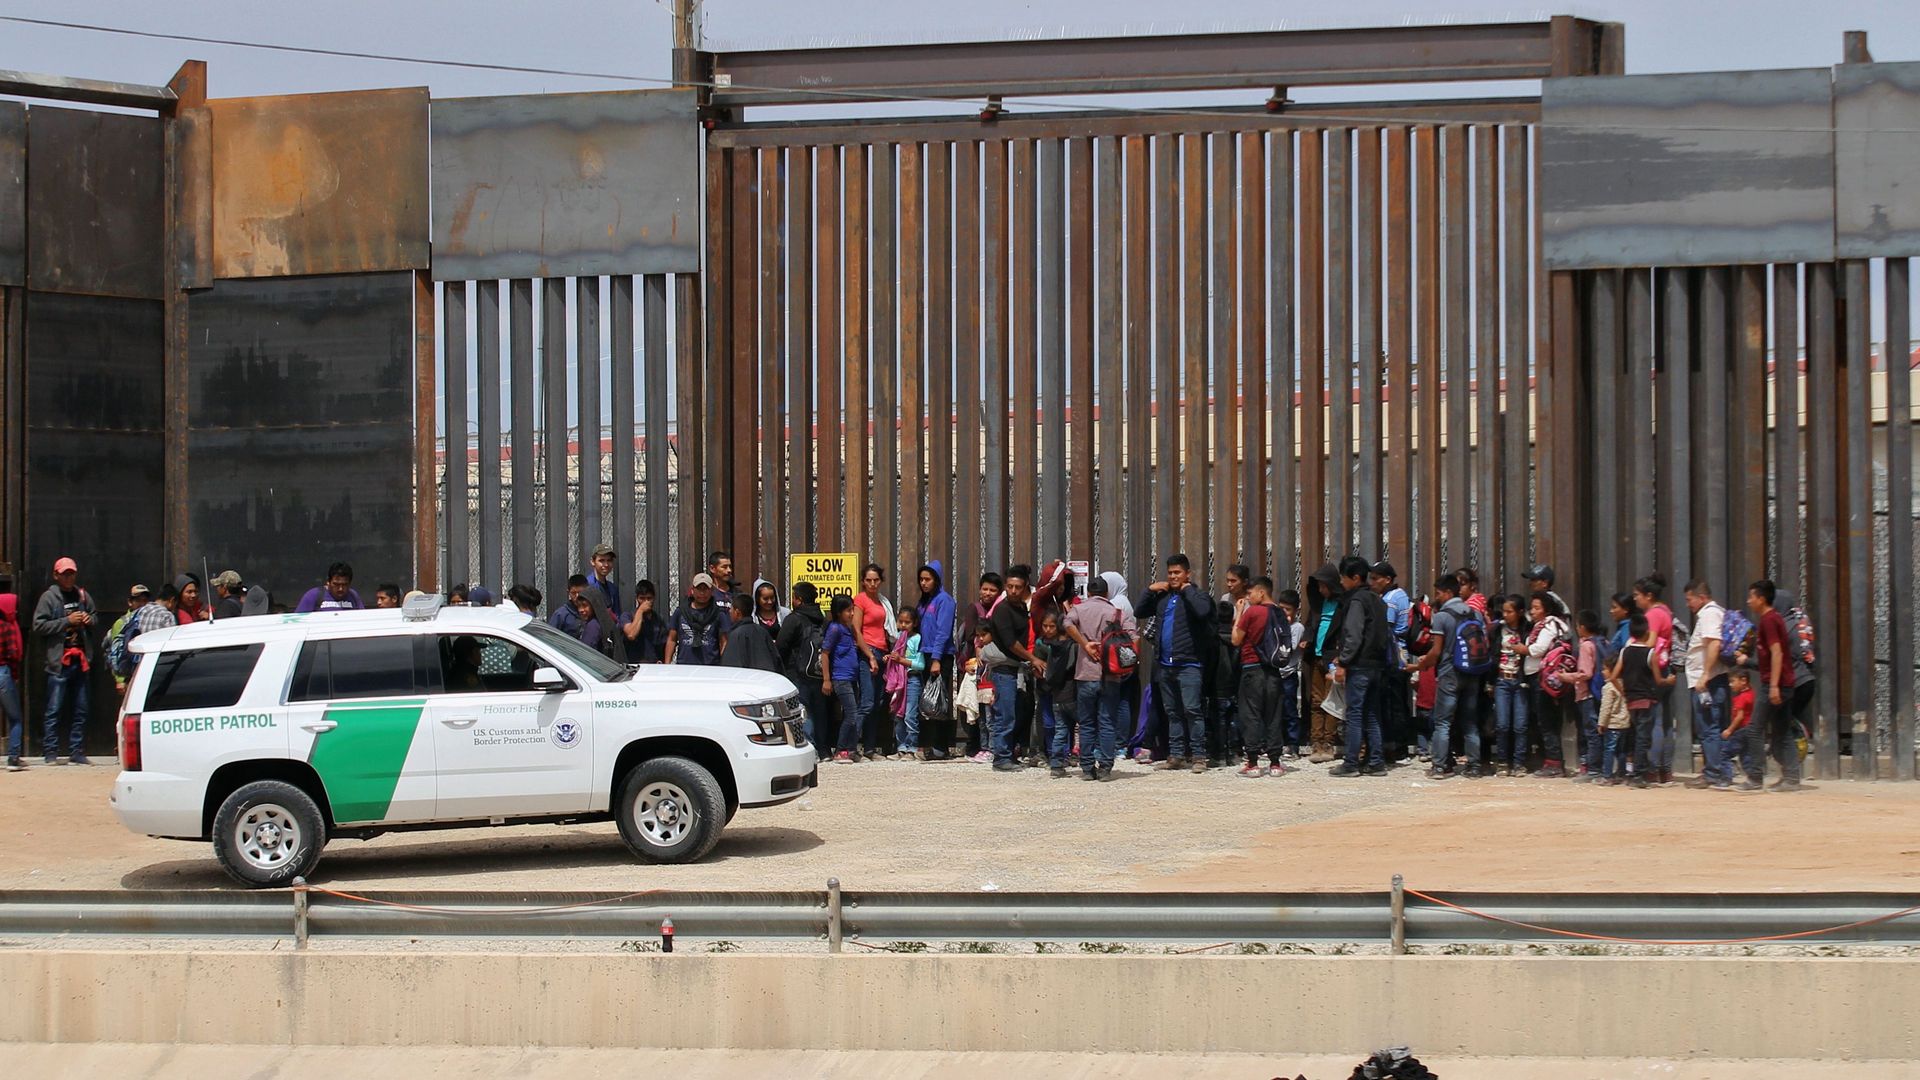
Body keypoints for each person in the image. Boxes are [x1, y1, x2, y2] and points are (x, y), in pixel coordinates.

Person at [1142, 554, 1216, 773]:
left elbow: (1203, 611)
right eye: (1170, 573)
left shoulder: (1198, 596)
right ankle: (1175, 755)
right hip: (1165, 665)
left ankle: (1199, 756)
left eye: (1177, 573)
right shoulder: (1163, 598)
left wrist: (1187, 589)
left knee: (1192, 710)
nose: (1173, 576)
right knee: (1172, 711)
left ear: (1187, 574)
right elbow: (1140, 611)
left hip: (1189, 664)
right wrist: (1150, 590)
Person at [1411, 574, 1482, 779]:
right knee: (1470, 722)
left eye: (1439, 593)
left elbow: (1436, 651)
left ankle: (1441, 766)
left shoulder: (1442, 617)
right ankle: (1475, 766)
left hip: (1449, 673)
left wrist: (1420, 666)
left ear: (1449, 592)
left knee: (1443, 722)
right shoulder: (1474, 614)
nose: (1437, 596)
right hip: (1472, 672)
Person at [1063, 571, 1131, 781]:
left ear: (1089, 592)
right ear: (1107, 592)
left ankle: (1086, 767)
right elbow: (1132, 636)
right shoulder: (1117, 612)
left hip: (1085, 674)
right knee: (1107, 721)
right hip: (1110, 674)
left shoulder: (1079, 609)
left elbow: (1066, 623)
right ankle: (1105, 767)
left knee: (1086, 722)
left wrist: (1084, 643)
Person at [1328, 556, 1391, 778]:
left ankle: (1351, 762)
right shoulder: (1377, 599)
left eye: (1344, 578)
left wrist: (1343, 661)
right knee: (1372, 714)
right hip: (1377, 665)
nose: (1342, 583)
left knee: (1354, 714)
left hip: (1360, 665)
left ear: (1355, 578)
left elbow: (1353, 635)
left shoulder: (1356, 601)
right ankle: (1376, 761)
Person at [32, 557, 99, 766]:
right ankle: (50, 752)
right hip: (59, 662)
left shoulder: (82, 595)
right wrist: (66, 622)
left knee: (81, 708)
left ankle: (76, 751)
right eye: (65, 573)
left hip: (81, 660)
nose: (69, 577)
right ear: (56, 575)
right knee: (54, 709)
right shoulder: (49, 597)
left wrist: (89, 620)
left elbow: (95, 617)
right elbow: (38, 626)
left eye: (72, 573)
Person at [1741, 580, 1802, 792]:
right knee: (1782, 731)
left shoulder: (1769, 620)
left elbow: (1777, 652)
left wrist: (1774, 685)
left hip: (1775, 684)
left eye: (1751, 597)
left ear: (1761, 598)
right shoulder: (1773, 619)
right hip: (1783, 682)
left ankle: (1755, 777)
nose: (1749, 601)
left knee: (1754, 730)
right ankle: (1792, 778)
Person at [985, 565, 1043, 773]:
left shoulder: (1020, 608)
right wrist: (1033, 658)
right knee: (1004, 713)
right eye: (1009, 587)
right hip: (1003, 668)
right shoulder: (1002, 610)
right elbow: (1011, 643)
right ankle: (1001, 757)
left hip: (1015, 667)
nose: (1013, 591)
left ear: (1025, 587)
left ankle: (1007, 753)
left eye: (1017, 587)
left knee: (1014, 712)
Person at [1609, 612, 1673, 789]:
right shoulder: (1650, 653)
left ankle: (1638, 772)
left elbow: (1613, 677)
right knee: (1643, 738)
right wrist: (1670, 680)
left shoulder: (1624, 652)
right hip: (1646, 699)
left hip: (1631, 701)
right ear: (1647, 633)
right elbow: (1659, 680)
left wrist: (1624, 692)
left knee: (1638, 735)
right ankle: (1639, 774)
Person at [1230, 576, 1286, 777]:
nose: (1248, 597)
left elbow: (1236, 639)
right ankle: (1275, 763)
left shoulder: (1252, 612)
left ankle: (1252, 762)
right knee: (1273, 715)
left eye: (1250, 593)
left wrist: (1238, 613)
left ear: (1261, 592)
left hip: (1252, 668)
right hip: (1273, 669)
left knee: (1251, 714)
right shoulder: (1280, 612)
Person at [1682, 579, 1733, 790]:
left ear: (1702, 598)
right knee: (1716, 726)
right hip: (1713, 679)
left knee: (1709, 726)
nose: (1688, 604)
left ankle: (1713, 773)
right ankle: (1721, 772)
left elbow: (1714, 643)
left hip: (1708, 681)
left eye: (1690, 599)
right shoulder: (1714, 613)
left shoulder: (1709, 614)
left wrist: (1705, 675)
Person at [777, 582, 831, 757]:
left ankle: (811, 748)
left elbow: (782, 645)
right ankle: (824, 749)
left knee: (803, 711)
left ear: (799, 600)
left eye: (794, 597)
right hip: (819, 672)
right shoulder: (822, 618)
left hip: (798, 672)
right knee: (821, 711)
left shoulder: (794, 619)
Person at [1632, 575, 1676, 784]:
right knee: (1666, 721)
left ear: (1648, 596)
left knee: (1655, 722)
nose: (1635, 600)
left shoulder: (1653, 615)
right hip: (1665, 668)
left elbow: (1649, 644)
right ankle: (1665, 770)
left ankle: (1652, 767)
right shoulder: (1666, 612)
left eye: (1637, 596)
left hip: (1653, 672)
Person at [1525, 592, 1572, 778]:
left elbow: (1538, 649)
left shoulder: (1550, 625)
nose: (1533, 611)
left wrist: (1523, 649)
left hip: (1543, 679)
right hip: (1536, 677)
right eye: (1532, 607)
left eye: (1537, 608)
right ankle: (1549, 760)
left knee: (1547, 721)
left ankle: (1554, 763)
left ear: (1547, 609)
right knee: (1542, 720)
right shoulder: (1539, 625)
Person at [1370, 561, 1414, 762]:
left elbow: (1384, 628)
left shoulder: (1391, 599)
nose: (1373, 582)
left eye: (1376, 578)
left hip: (1393, 656)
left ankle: (1397, 747)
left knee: (1393, 702)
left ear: (1387, 579)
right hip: (1399, 655)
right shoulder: (1399, 595)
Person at [914, 561, 957, 761]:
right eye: (921, 579)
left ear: (936, 580)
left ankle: (941, 746)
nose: (924, 583)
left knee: (939, 699)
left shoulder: (944, 600)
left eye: (928, 579)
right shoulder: (924, 602)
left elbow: (943, 632)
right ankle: (929, 744)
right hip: (925, 652)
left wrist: (937, 659)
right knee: (928, 701)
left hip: (940, 655)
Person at [1302, 561, 1343, 762]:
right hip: (1316, 657)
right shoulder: (1318, 605)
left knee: (1331, 702)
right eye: (1319, 586)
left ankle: (1329, 742)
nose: (1321, 589)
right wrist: (1307, 639)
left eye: (1324, 586)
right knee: (1316, 701)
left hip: (1332, 658)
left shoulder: (1341, 605)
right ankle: (1316, 741)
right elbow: (1311, 625)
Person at [853, 564, 895, 759]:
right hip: (867, 652)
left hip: (882, 651)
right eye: (868, 580)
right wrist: (870, 656)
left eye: (875, 580)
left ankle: (869, 748)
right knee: (867, 702)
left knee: (877, 702)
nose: (872, 583)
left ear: (881, 581)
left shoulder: (881, 601)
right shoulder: (860, 600)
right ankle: (850, 747)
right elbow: (856, 630)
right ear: (863, 581)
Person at [1492, 594, 1532, 777]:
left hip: (1521, 681)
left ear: (1520, 612)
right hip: (1502, 680)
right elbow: (1492, 655)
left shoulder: (1528, 630)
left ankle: (1519, 763)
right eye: (1504, 611)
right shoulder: (1496, 631)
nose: (1505, 615)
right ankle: (1502, 762)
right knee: (1501, 724)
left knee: (1520, 725)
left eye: (1510, 611)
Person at [1567, 610, 1607, 783]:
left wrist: (1564, 677)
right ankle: (1602, 768)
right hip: (1601, 693)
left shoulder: (1585, 646)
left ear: (1582, 627)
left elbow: (1585, 673)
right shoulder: (1603, 642)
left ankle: (1593, 770)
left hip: (1587, 694)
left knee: (1591, 733)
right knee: (1600, 731)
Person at [823, 595, 864, 763]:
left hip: (851, 677)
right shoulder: (835, 629)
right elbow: (825, 654)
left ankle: (852, 749)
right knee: (851, 715)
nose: (852, 613)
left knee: (853, 713)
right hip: (841, 678)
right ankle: (841, 749)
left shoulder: (848, 628)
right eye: (848, 610)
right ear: (839, 612)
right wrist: (827, 679)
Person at [665, 573, 731, 666]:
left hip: (710, 666)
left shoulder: (718, 614)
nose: (702, 593)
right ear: (692, 590)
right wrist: (667, 664)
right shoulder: (680, 612)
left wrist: (722, 664)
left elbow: (723, 642)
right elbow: (672, 639)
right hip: (685, 665)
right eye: (699, 589)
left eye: (706, 589)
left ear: (711, 591)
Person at [890, 607, 929, 759]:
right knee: (898, 714)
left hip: (912, 680)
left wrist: (901, 660)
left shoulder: (917, 639)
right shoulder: (899, 638)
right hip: (900, 681)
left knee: (910, 715)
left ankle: (912, 747)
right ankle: (901, 747)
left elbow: (920, 665)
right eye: (901, 622)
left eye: (908, 622)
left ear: (915, 623)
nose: (904, 625)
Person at [1275, 589, 1307, 759]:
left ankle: (1293, 744)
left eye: (1287, 609)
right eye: (1281, 609)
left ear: (1295, 611)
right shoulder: (1274, 625)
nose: (1284, 613)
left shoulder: (1296, 627)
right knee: (1274, 710)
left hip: (1288, 674)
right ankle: (1276, 744)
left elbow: (1288, 648)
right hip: (1276, 674)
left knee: (1290, 710)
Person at [722, 592, 780, 673]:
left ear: (737, 612)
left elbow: (729, 667)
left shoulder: (736, 635)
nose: (729, 612)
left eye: (731, 609)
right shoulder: (763, 631)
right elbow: (777, 660)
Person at [1, 591, 25, 771]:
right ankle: (14, 758)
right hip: (3, 673)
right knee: (15, 718)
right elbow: (13, 654)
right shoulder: (8, 626)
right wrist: (14, 675)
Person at [1721, 668, 1756, 785]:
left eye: (1732, 681)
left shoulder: (1742, 698)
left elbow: (1739, 717)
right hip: (1749, 730)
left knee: (1725, 753)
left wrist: (1729, 730)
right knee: (1745, 755)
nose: (1730, 685)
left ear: (1743, 681)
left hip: (1741, 731)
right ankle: (1753, 778)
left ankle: (1726, 779)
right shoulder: (1751, 694)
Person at [623, 580, 668, 663]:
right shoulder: (627, 616)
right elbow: (631, 634)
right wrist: (640, 611)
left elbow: (663, 644)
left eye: (649, 598)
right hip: (634, 666)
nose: (645, 602)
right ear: (637, 598)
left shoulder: (658, 620)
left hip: (653, 665)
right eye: (642, 598)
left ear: (654, 598)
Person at [295, 563, 363, 613]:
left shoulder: (353, 596)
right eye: (336, 584)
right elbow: (298, 620)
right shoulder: (313, 595)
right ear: (328, 582)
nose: (340, 589)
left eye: (344, 585)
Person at [585, 545, 623, 624]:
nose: (606, 565)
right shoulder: (587, 586)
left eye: (609, 560)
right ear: (592, 561)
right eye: (601, 560)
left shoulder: (612, 588)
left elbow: (617, 615)